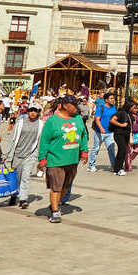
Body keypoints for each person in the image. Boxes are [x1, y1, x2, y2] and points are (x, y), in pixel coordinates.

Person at [38, 94, 88, 223]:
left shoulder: (78, 118)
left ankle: (55, 203)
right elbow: (44, 141)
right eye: (74, 105)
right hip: (55, 159)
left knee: (66, 186)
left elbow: (83, 135)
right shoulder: (52, 121)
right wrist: (42, 158)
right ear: (65, 105)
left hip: (72, 159)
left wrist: (84, 151)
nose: (77, 107)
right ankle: (55, 212)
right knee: (56, 186)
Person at [6, 104, 42, 210]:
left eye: (35, 111)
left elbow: (40, 141)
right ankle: (13, 195)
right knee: (16, 177)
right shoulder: (20, 123)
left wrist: (41, 156)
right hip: (17, 154)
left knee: (26, 177)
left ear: (38, 112)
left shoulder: (40, 124)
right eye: (31, 110)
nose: (32, 112)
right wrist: (7, 154)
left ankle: (23, 199)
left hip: (30, 154)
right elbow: (12, 139)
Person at [87, 92, 116, 173]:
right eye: (111, 98)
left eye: (113, 98)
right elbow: (97, 119)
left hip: (110, 132)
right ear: (106, 100)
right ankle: (91, 165)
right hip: (99, 132)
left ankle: (114, 166)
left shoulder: (114, 108)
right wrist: (101, 128)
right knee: (96, 148)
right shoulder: (101, 108)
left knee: (111, 149)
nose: (113, 100)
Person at [110, 100, 133, 175]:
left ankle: (116, 168)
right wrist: (121, 125)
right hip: (119, 134)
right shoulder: (121, 112)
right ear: (129, 107)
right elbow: (112, 120)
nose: (134, 109)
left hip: (125, 135)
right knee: (122, 150)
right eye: (133, 107)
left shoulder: (129, 114)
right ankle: (118, 169)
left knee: (122, 151)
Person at [126, 101, 138, 171]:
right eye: (134, 108)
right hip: (130, 134)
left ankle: (129, 159)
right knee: (129, 150)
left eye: (137, 108)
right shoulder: (128, 115)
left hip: (137, 133)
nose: (136, 110)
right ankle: (128, 164)